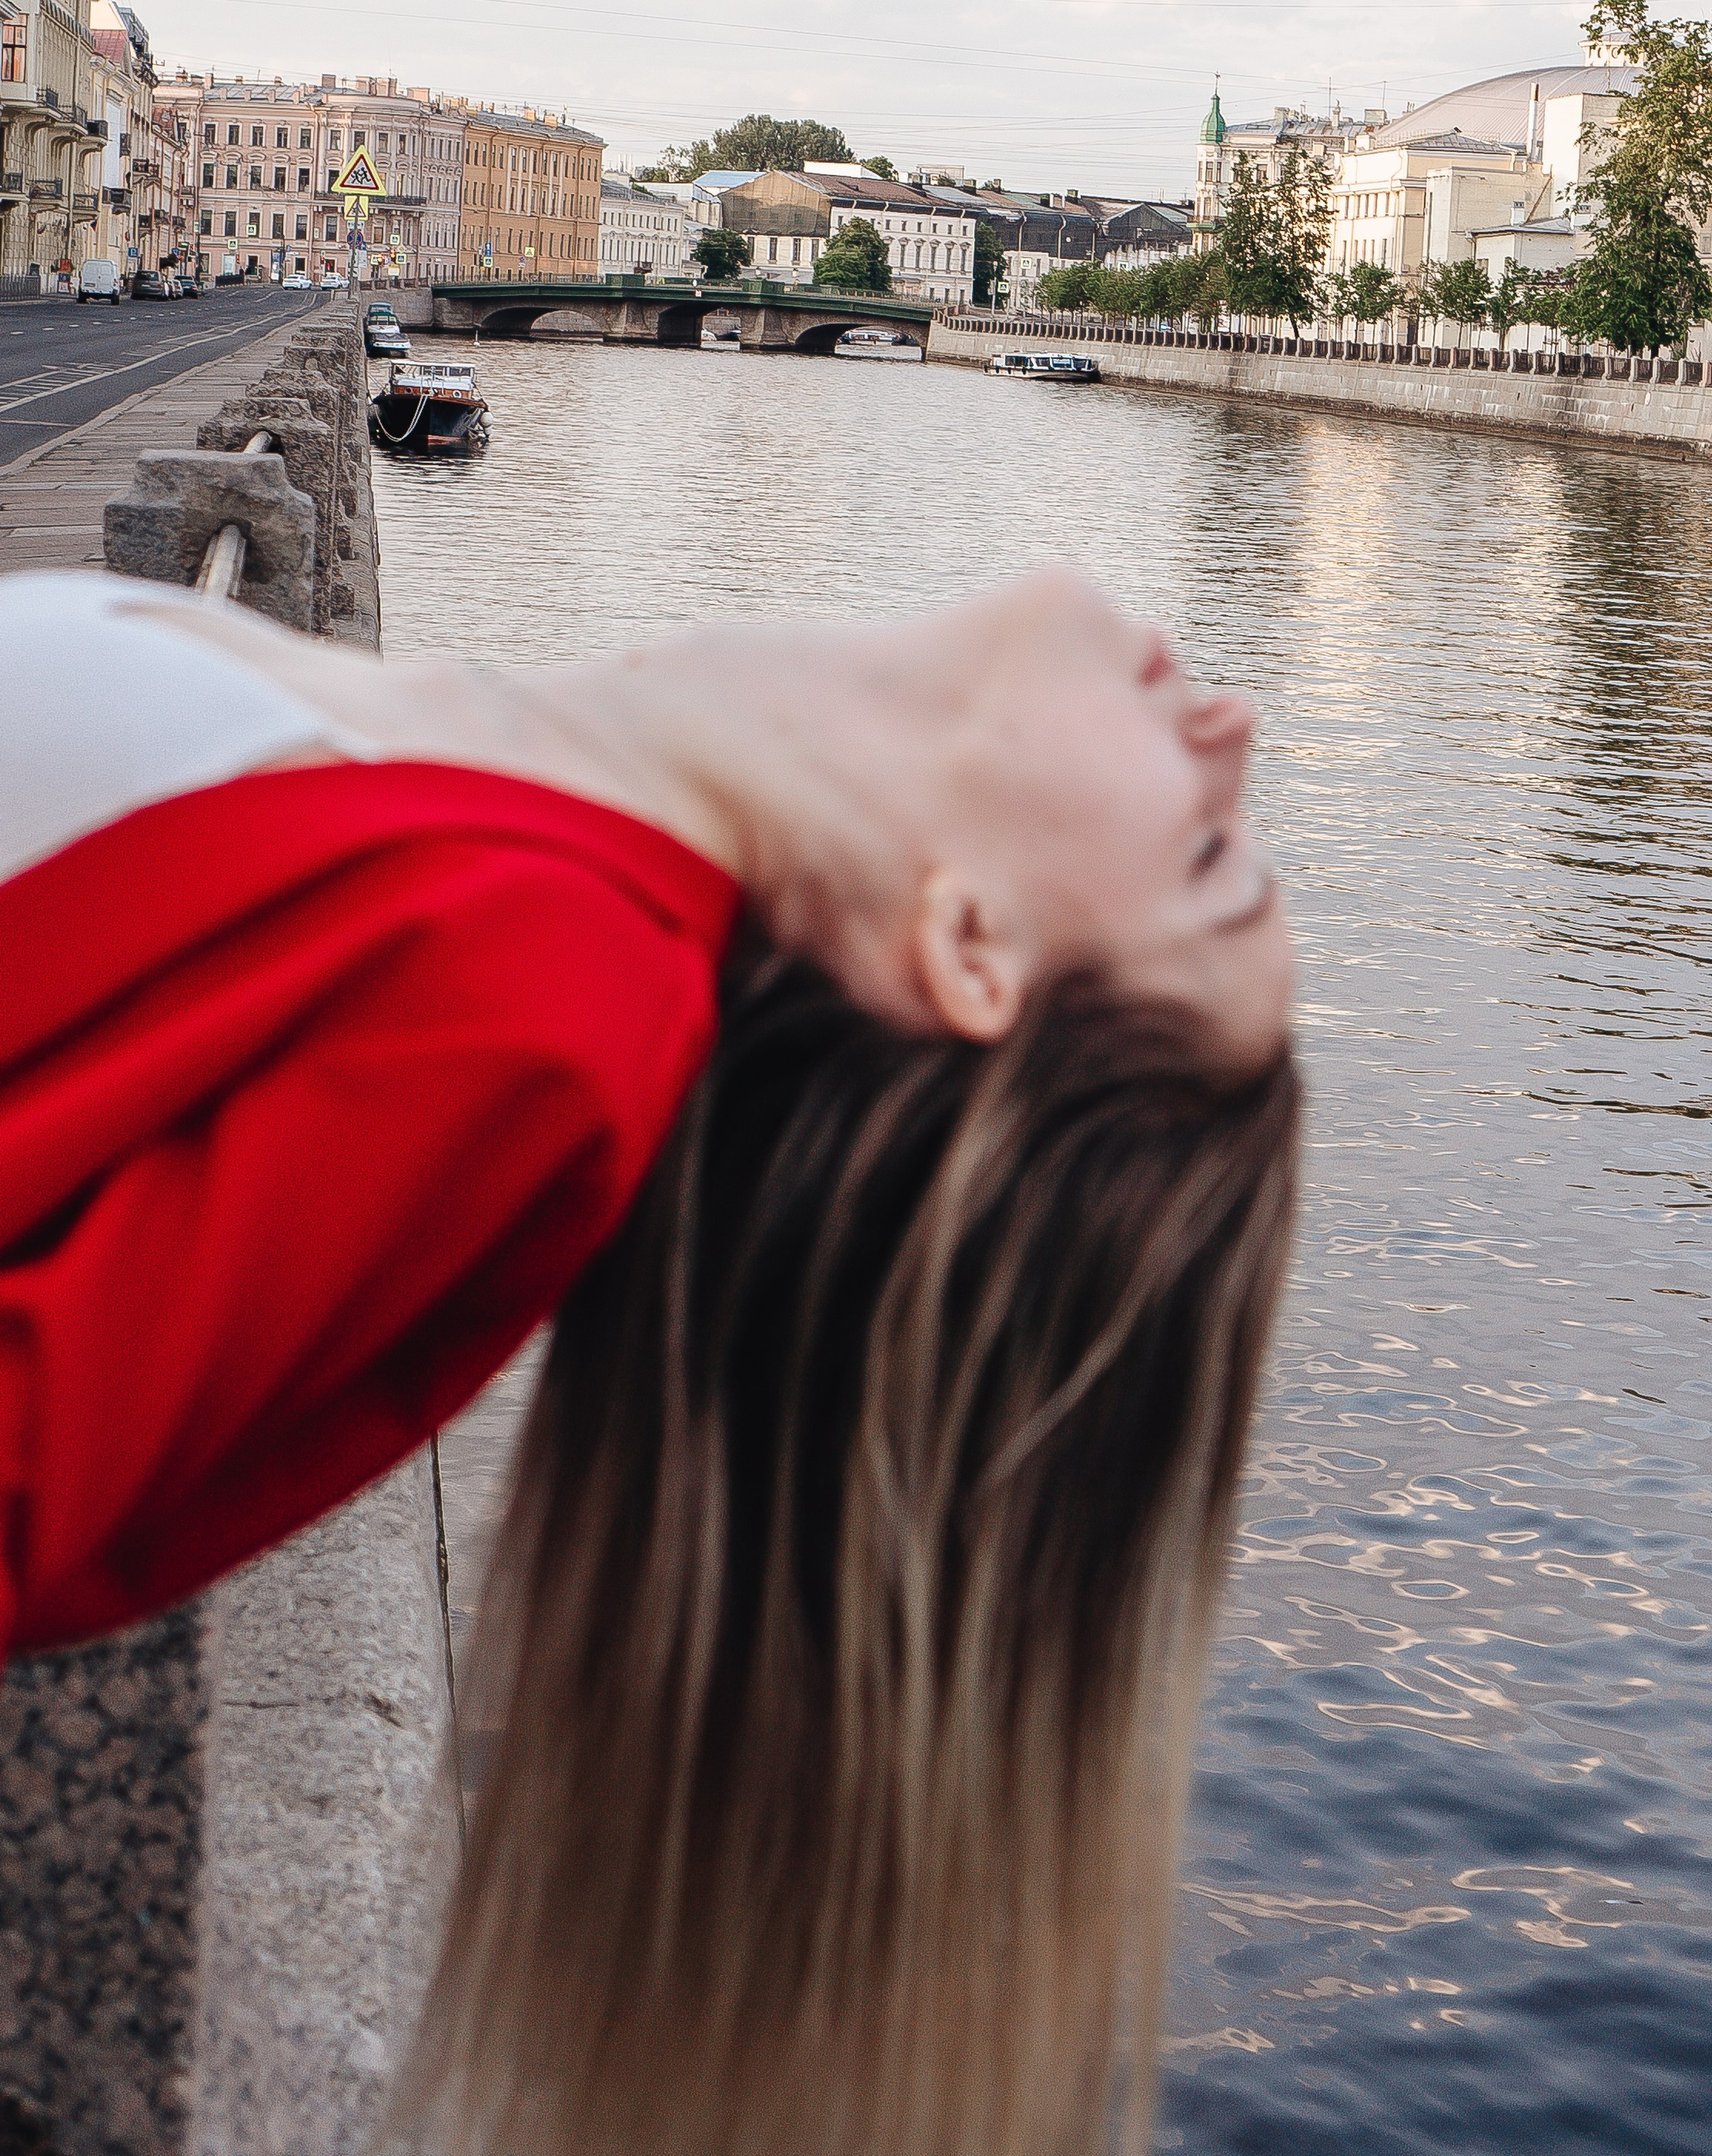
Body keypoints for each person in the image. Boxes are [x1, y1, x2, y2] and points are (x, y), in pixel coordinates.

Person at [0, 561, 1299, 2154]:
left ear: (971, 943)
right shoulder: (529, 831)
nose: (1232, 728)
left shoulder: (549, 1004)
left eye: (1209, 857)